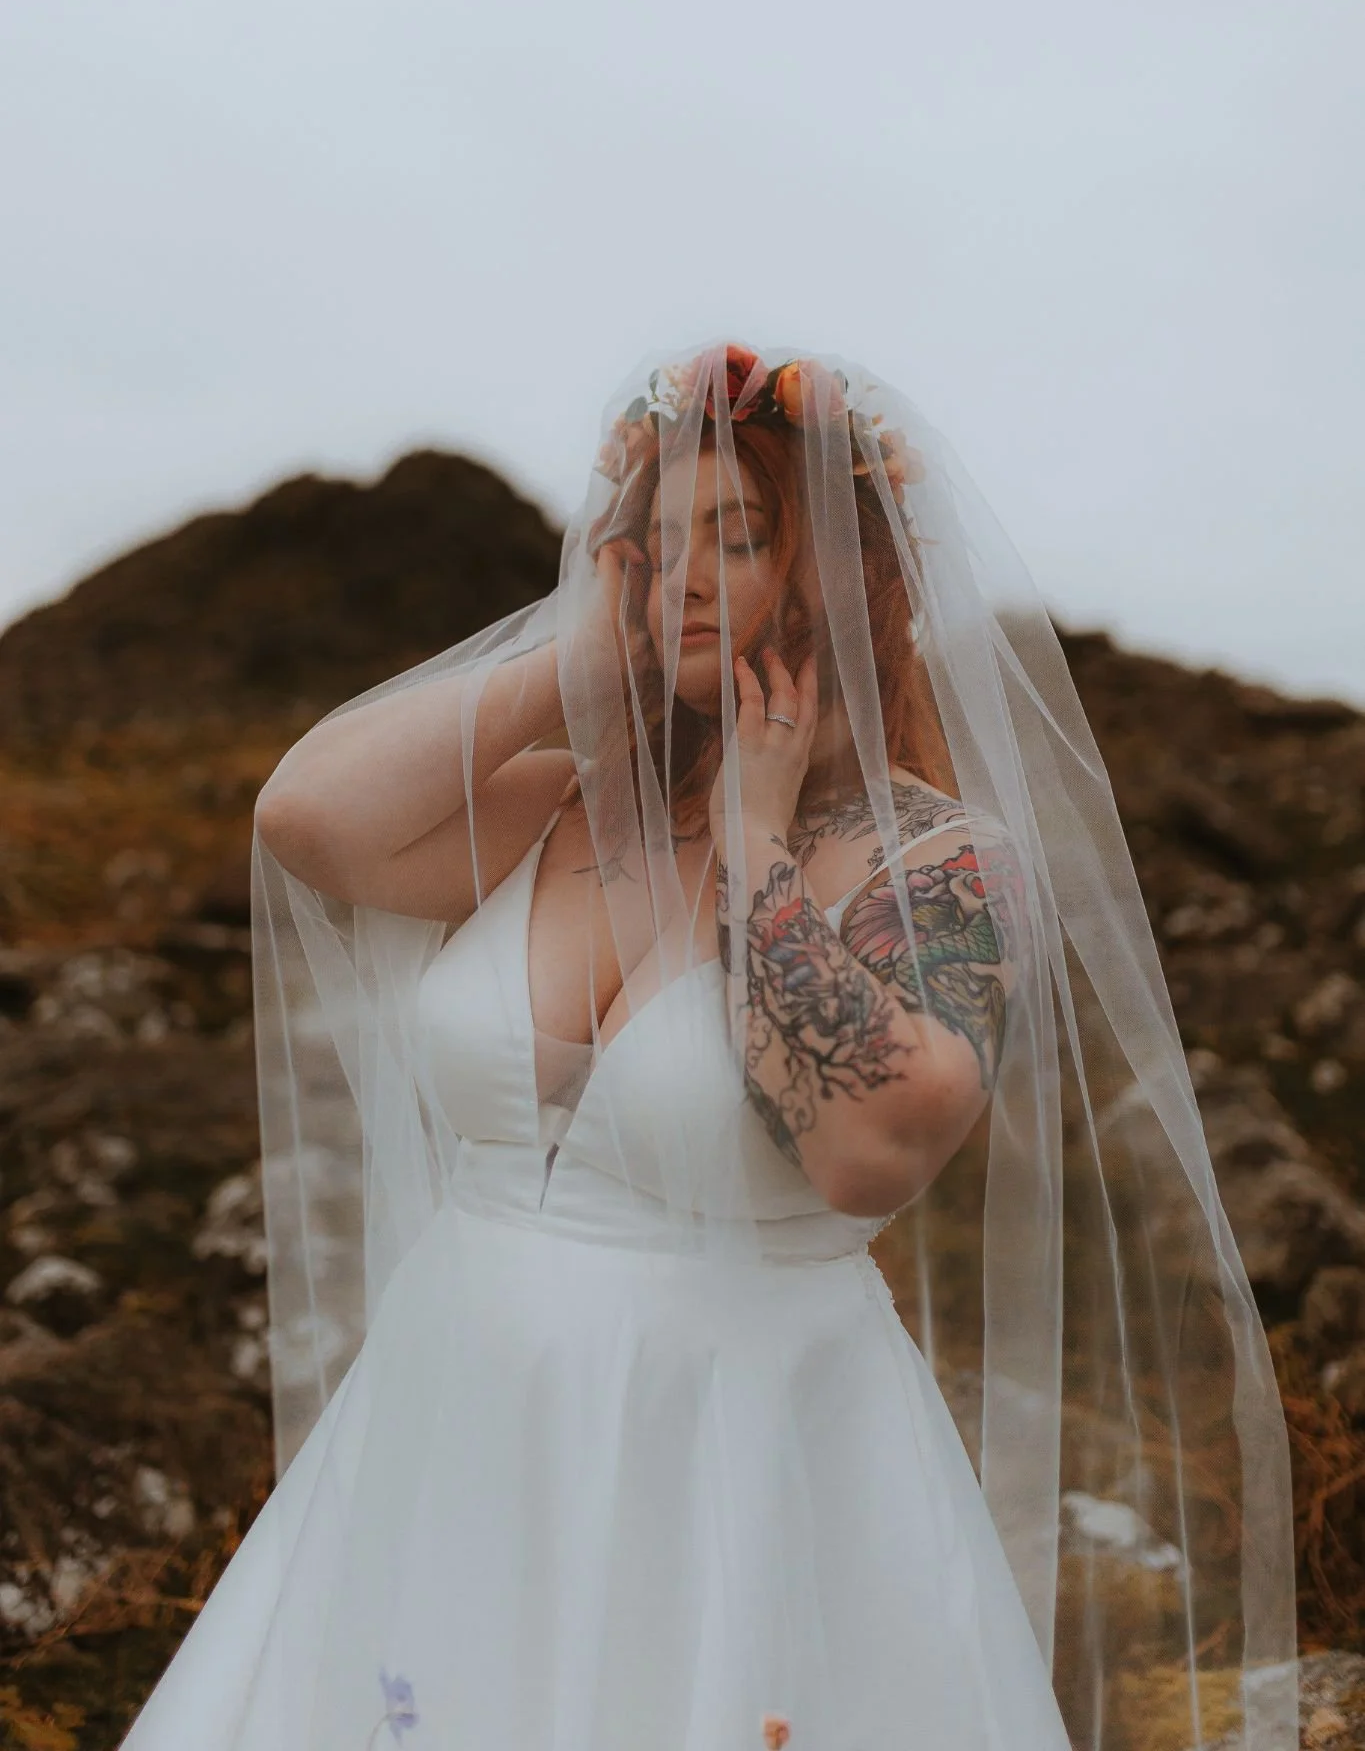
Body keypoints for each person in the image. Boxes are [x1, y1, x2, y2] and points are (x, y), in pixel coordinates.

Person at [120, 344, 1297, 1751]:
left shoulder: (938, 863)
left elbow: (874, 1145)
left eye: (731, 538)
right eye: (648, 541)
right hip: (455, 1427)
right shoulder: (565, 811)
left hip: (736, 1462)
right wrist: (581, 665)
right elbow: (309, 821)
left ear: (851, 582)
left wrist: (752, 842)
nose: (674, 574)